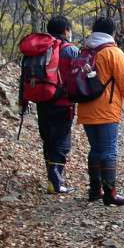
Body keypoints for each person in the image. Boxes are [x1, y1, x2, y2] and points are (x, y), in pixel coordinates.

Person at [77, 16, 124, 205]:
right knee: (109, 150)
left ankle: (95, 191)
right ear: (112, 33)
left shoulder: (85, 51)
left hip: (86, 108)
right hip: (106, 110)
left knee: (95, 149)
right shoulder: (114, 53)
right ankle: (110, 194)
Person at [37, 15, 79, 194]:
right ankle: (55, 182)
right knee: (61, 142)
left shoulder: (40, 49)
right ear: (65, 31)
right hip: (63, 102)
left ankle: (52, 178)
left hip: (41, 99)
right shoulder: (70, 50)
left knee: (48, 139)